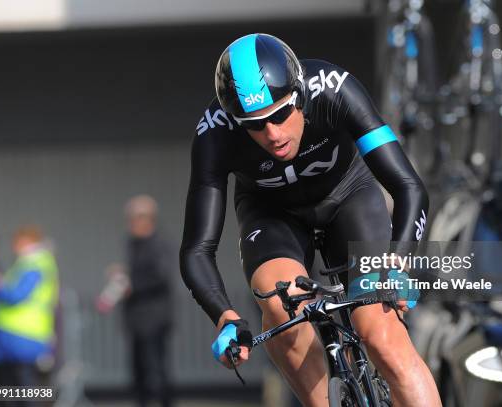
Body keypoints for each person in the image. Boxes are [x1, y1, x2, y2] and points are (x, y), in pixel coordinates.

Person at [180, 34, 441, 406]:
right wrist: (224, 316)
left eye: (281, 114)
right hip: (271, 213)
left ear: (300, 94)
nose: (272, 134)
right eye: (255, 125)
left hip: (349, 196)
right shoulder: (214, 134)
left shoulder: (335, 89)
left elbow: (408, 187)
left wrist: (399, 261)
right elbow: (197, 249)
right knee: (279, 307)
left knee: (381, 336)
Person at [117, 195, 173, 407]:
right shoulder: (132, 244)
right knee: (138, 372)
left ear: (147, 219)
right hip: (136, 319)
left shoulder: (159, 244)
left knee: (156, 371)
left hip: (154, 319)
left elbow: (160, 276)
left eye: (134, 218)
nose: (131, 224)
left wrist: (132, 284)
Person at [0, 225, 59, 388]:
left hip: (21, 335)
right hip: (18, 335)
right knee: (12, 385)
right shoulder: (32, 263)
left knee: (22, 385)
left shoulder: (33, 263)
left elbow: (17, 295)